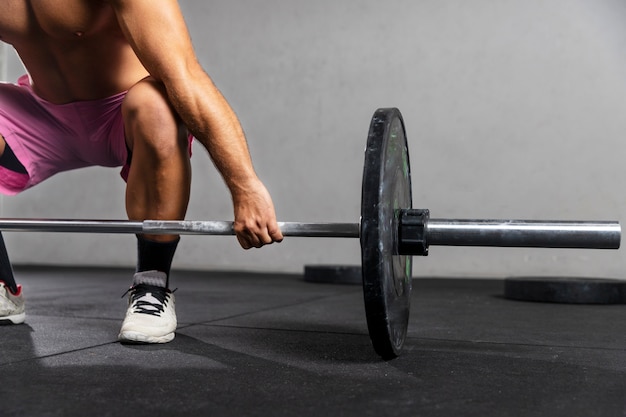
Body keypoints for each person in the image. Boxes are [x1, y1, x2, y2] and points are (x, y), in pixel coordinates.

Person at [0, 0, 284, 342]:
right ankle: (2, 285)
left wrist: (245, 186)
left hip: (126, 115)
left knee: (158, 103)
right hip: (41, 120)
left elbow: (185, 77)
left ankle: (152, 287)